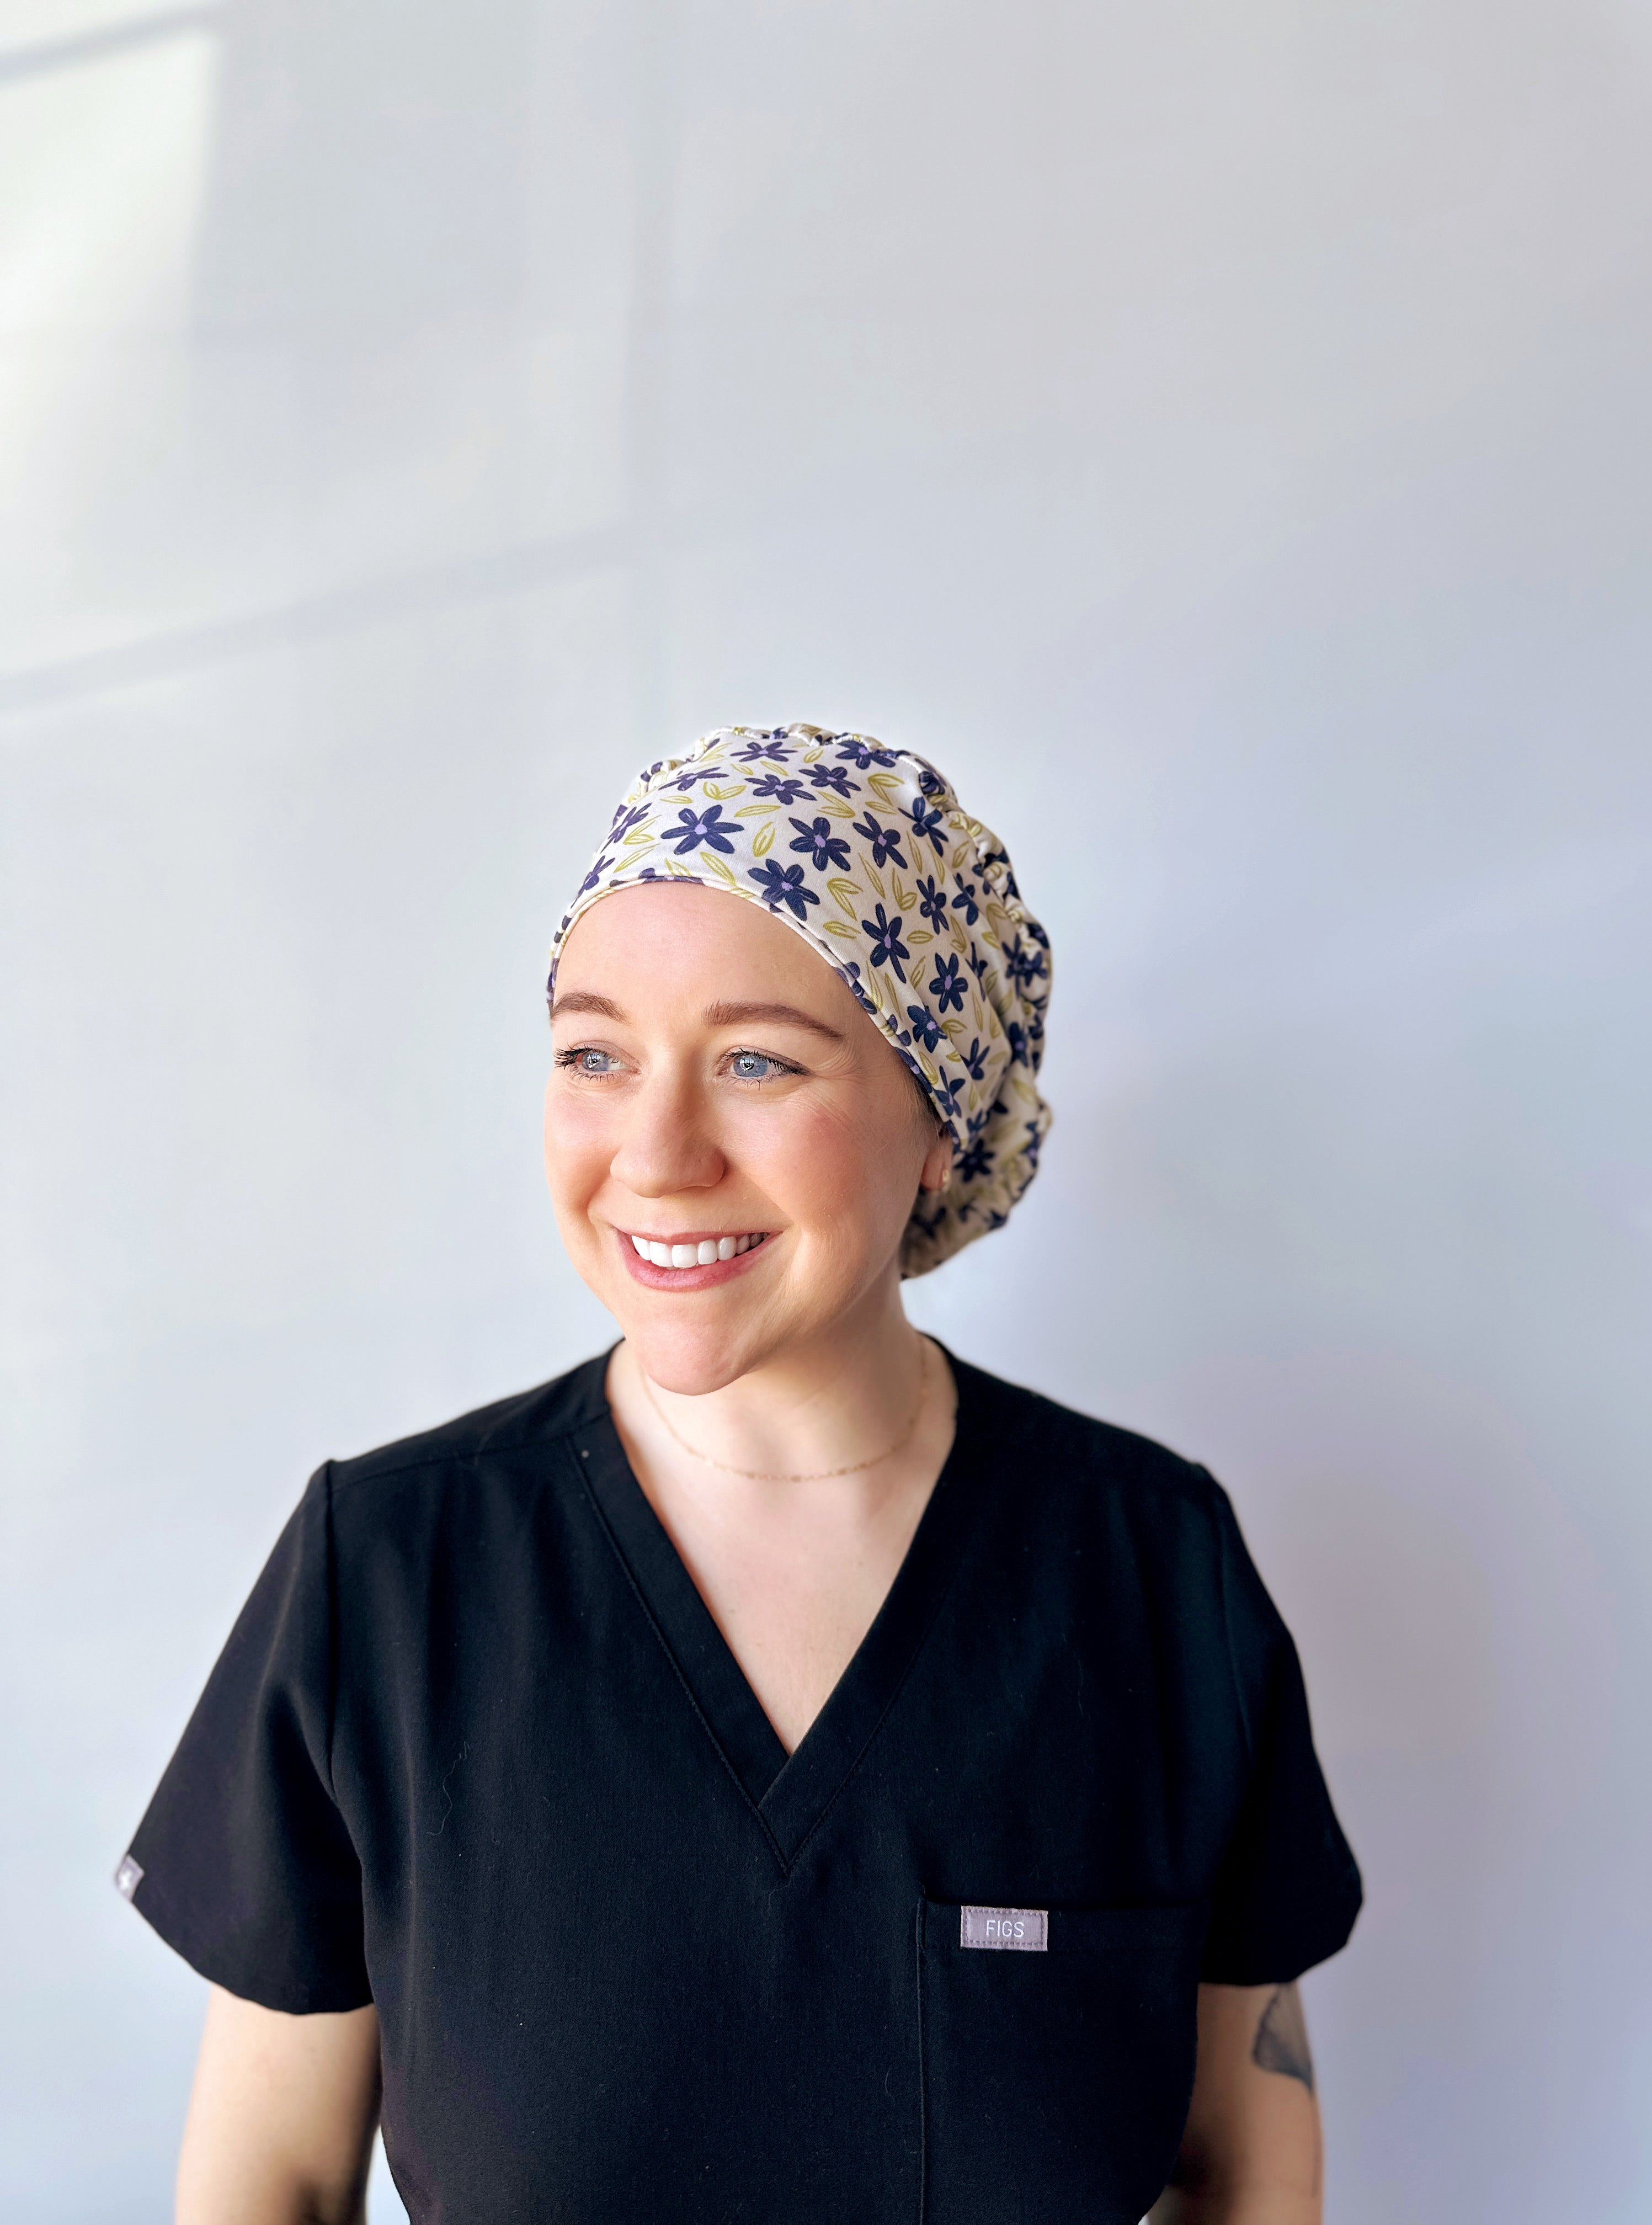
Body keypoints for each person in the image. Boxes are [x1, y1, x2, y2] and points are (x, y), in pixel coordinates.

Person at [120, 725, 1361, 2224]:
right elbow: (271, 2183)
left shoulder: (1151, 1572)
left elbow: (1242, 2170)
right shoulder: (385, 1578)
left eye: (758, 1062)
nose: (656, 1154)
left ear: (938, 1119)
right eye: (594, 1055)